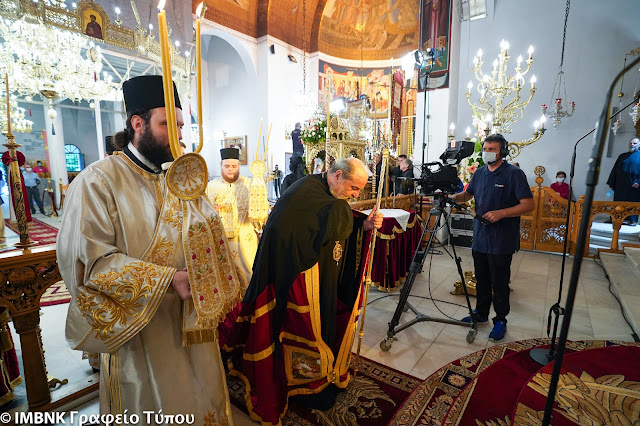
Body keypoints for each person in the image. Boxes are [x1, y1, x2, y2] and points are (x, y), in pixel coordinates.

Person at [57, 75, 237, 423]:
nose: (181, 136)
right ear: (138, 124)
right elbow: (87, 264)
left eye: (182, 126)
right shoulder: (98, 181)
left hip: (190, 324)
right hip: (140, 330)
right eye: (169, 124)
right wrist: (168, 280)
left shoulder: (181, 178)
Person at [224, 158, 383, 424]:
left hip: (317, 277)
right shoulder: (306, 193)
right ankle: (307, 382)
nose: (355, 196)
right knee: (301, 329)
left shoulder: (322, 192)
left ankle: (324, 371)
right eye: (354, 189)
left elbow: (334, 225)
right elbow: (320, 225)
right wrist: (352, 220)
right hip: (294, 282)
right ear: (337, 176)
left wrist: (362, 226)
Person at [450, 134, 534, 342]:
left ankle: (501, 320)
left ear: (502, 152)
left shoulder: (514, 174)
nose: (487, 152)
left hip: (502, 239)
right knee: (482, 279)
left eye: (492, 149)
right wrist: (451, 197)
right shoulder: (479, 173)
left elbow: (528, 204)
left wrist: (502, 213)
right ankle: (481, 314)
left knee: (500, 282)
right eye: (485, 148)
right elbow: (467, 195)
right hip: (480, 236)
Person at [206, 147, 260, 289]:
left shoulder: (249, 185)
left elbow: (259, 211)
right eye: (227, 166)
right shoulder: (210, 187)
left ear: (239, 166)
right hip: (220, 240)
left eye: (234, 166)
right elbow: (201, 213)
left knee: (248, 274)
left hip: (245, 240)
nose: (230, 170)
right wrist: (213, 210)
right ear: (221, 165)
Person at [607, 137, 640, 226]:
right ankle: (615, 218)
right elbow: (615, 169)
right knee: (618, 202)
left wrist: (639, 183)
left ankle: (632, 220)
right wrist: (612, 181)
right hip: (620, 184)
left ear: (639, 145)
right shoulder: (622, 156)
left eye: (634, 143)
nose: (632, 145)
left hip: (634, 185)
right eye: (631, 143)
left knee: (632, 203)